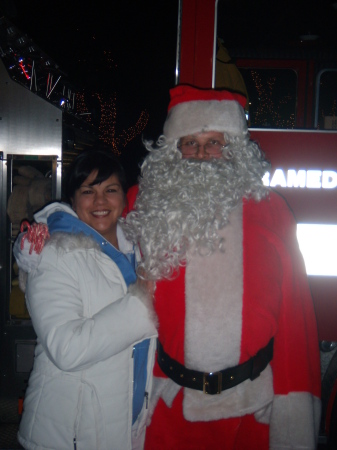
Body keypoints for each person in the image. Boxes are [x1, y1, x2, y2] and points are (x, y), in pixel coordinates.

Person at [122, 85, 321, 449]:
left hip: (251, 409)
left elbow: (295, 313)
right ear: (174, 150)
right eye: (190, 143)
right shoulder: (143, 203)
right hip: (169, 407)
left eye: (214, 143)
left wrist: (293, 402)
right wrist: (43, 241)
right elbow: (97, 251)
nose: (202, 155)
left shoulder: (271, 209)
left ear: (233, 150)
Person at [13, 148, 158, 450]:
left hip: (125, 422)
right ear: (73, 200)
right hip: (70, 432)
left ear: (124, 196)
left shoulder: (140, 250)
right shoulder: (55, 254)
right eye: (88, 191)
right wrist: (141, 307)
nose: (101, 201)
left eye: (111, 190)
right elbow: (66, 349)